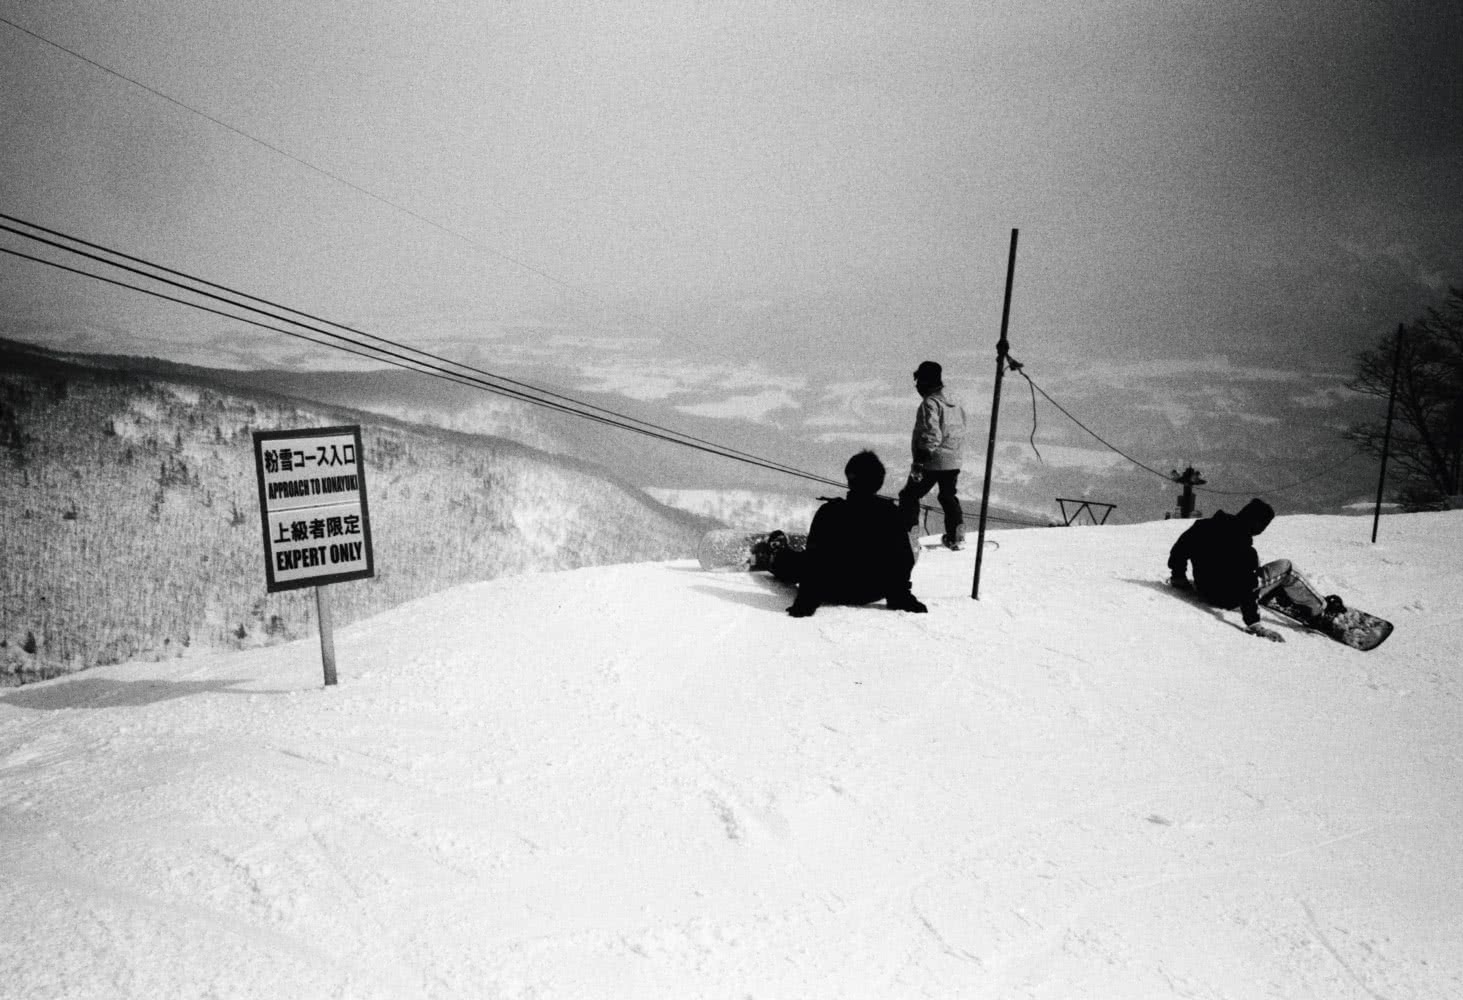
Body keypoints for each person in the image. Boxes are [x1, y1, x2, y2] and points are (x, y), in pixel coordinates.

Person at [1167, 498, 1345, 642]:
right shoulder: (1244, 551)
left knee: (1250, 569)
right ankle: (1320, 610)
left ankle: (1278, 589)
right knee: (1287, 567)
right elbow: (1246, 588)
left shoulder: (1203, 526)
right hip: (1228, 599)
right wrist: (1254, 624)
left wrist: (1178, 577)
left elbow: (1179, 550)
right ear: (1258, 525)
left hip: (1205, 588)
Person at [785, 450, 927, 618]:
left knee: (797, 562)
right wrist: (900, 596)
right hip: (873, 592)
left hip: (832, 589)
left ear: (849, 479)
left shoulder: (830, 512)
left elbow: (814, 561)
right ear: (879, 482)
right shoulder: (891, 514)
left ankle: (776, 555)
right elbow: (902, 560)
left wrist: (805, 603)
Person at [898, 361, 967, 550]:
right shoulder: (954, 400)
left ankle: (909, 535)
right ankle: (956, 534)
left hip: (932, 460)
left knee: (909, 495)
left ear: (925, 380)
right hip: (954, 459)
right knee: (948, 496)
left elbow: (932, 435)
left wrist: (919, 461)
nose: (917, 385)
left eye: (919, 380)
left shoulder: (930, 403)